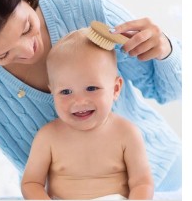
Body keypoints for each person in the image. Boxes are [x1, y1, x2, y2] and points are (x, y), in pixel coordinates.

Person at [0, 0, 181, 200]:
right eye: (2, 55)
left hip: (166, 178)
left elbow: (167, 90)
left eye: (26, 28)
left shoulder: (84, 8)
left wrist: (165, 50)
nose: (28, 51)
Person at [21, 29, 154, 200]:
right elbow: (31, 183)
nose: (79, 101)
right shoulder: (48, 136)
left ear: (115, 89)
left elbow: (142, 183)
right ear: (52, 92)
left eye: (92, 88)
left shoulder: (126, 133)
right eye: (66, 91)